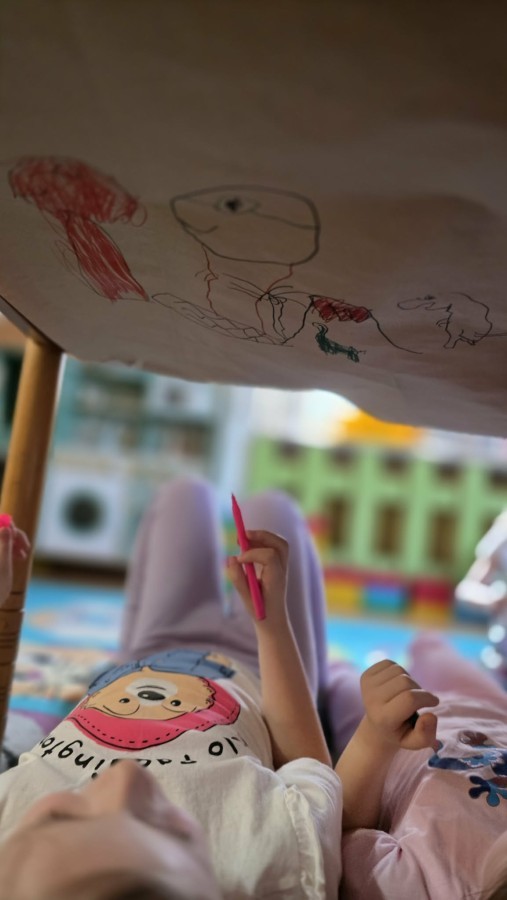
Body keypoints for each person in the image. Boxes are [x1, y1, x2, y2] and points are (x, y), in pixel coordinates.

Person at [0, 478, 342, 900]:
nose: (127, 777)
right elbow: (311, 768)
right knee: (276, 512)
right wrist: (272, 627)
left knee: (182, 494)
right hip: (265, 661)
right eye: (172, 829)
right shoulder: (272, 865)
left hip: (148, 652)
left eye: (65, 816)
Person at [333, 632, 507, 899]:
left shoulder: (426, 886)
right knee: (432, 646)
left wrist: (373, 734)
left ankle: (335, 666)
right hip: (490, 709)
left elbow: (341, 833)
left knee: (338, 679)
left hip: (387, 744)